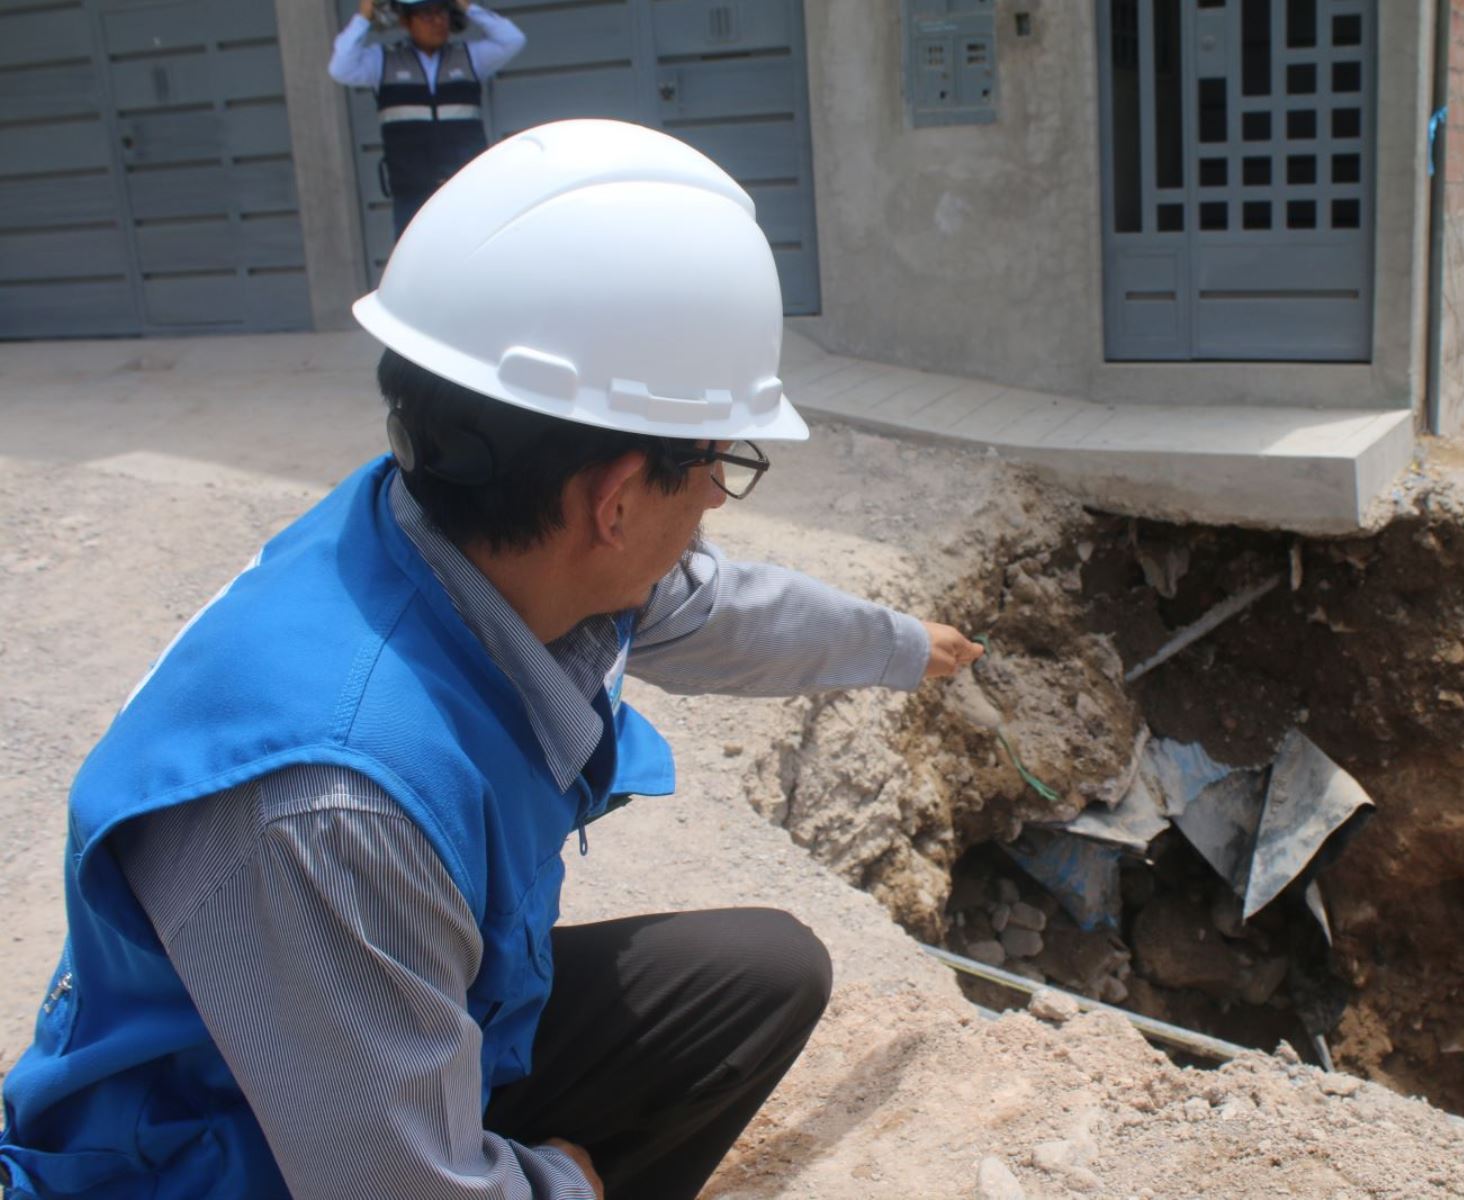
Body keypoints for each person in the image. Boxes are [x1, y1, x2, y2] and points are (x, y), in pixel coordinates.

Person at [0, 120, 985, 1200]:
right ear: (612, 501)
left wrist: (902, 647)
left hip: (347, 1055)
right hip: (209, 1157)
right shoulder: (334, 805)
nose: (715, 499)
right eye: (714, 463)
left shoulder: (445, 534)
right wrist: (561, 1184)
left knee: (756, 979)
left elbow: (715, 608)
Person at [328, 0, 526, 236]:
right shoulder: (383, 61)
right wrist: (364, 19)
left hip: (467, 188)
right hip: (412, 193)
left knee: (473, 259)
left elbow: (512, 39)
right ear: (406, 21)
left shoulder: (469, 57)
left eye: (442, 12)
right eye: (426, 15)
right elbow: (340, 67)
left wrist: (467, 6)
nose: (438, 21)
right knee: (418, 267)